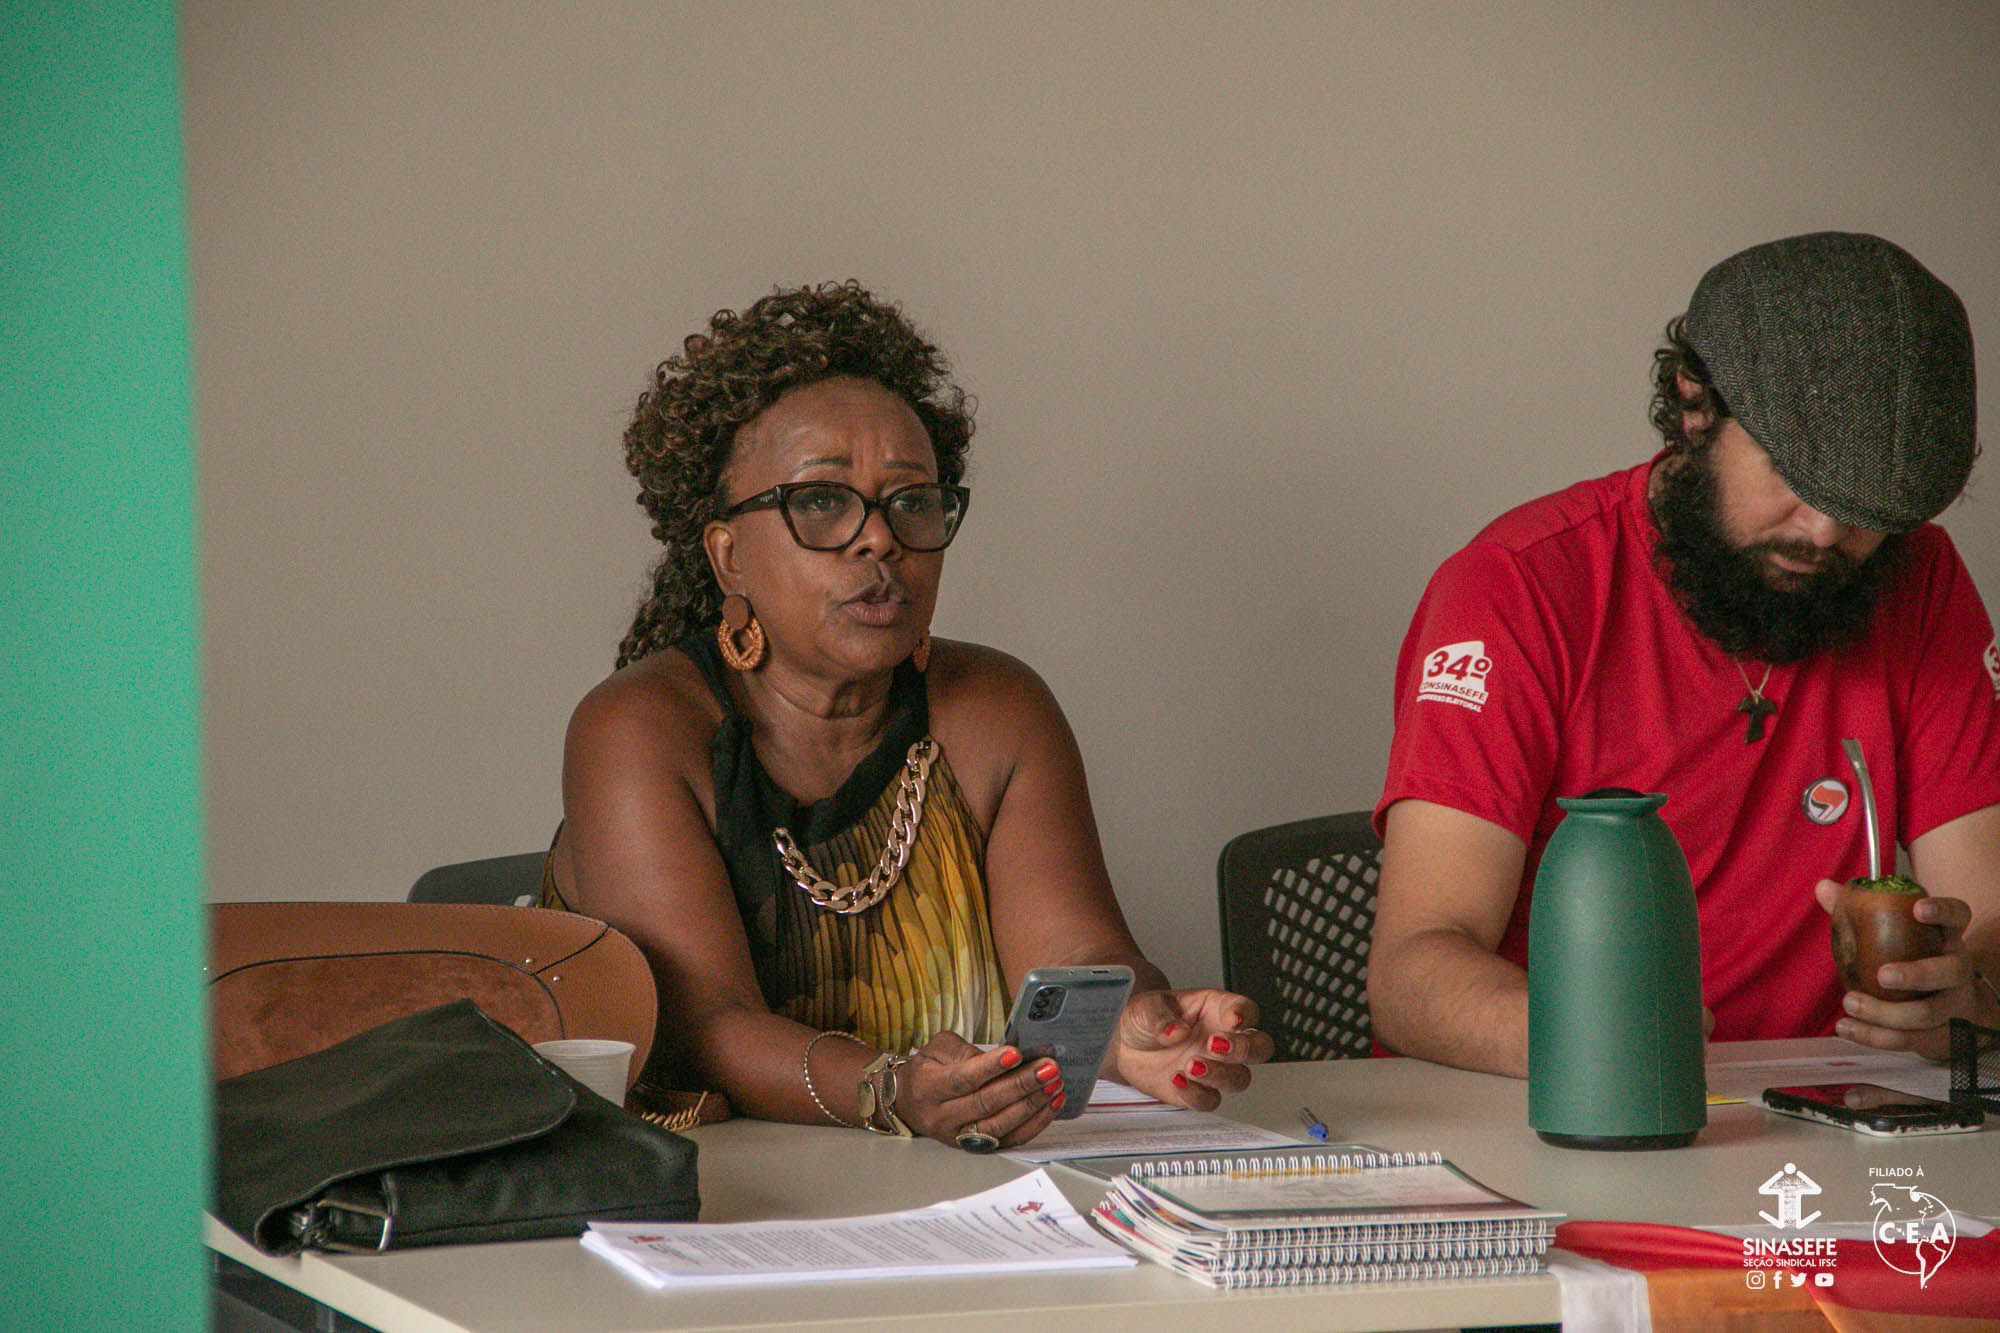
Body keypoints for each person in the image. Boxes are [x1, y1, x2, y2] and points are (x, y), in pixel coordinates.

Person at [544, 281, 1271, 1147]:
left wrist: (1131, 1025)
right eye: (822, 500)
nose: (880, 537)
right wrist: (891, 1090)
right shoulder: (638, 730)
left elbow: (1075, 955)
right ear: (729, 555)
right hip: (719, 1189)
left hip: (952, 1192)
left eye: (912, 501)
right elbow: (706, 1024)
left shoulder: (1000, 711)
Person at [1368, 232, 2000, 1077]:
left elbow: (1990, 914)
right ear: (1695, 404)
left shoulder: (1918, 580)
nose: (1824, 532)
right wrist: (1613, 1039)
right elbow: (1411, 971)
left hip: (1820, 1107)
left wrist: (1970, 996)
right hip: (1546, 1103)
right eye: (1791, 476)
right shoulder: (1515, 587)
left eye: (1868, 506)